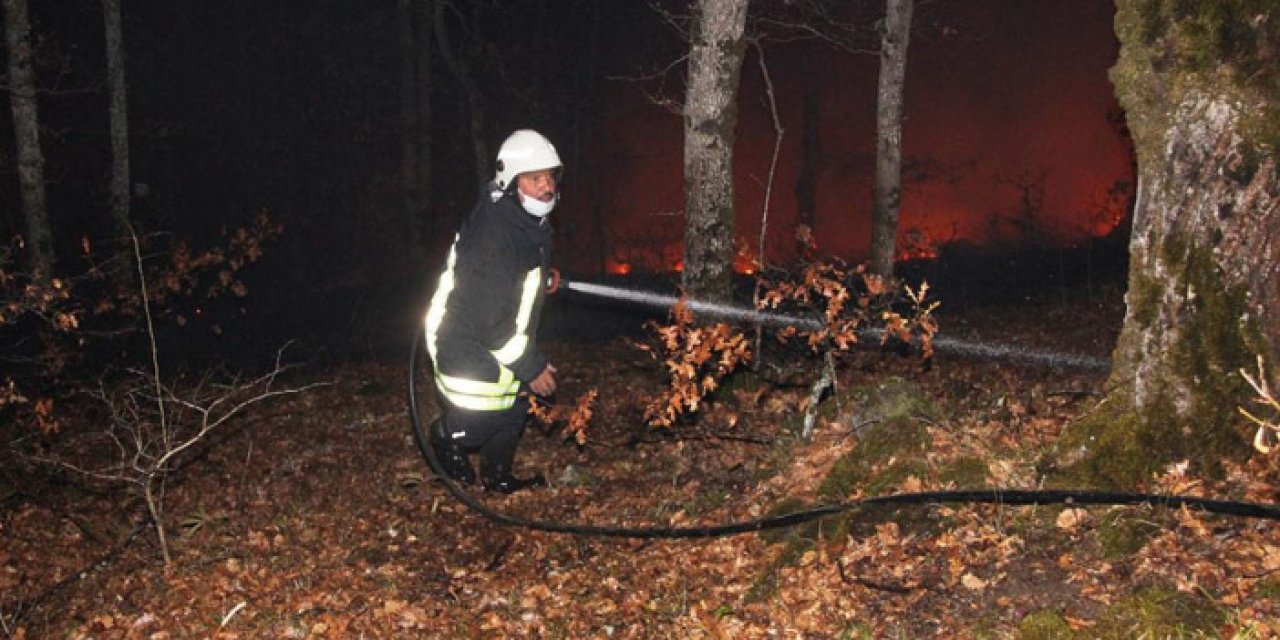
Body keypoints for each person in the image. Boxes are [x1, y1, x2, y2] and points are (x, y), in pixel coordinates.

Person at [423, 129, 562, 493]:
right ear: (511, 180)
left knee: (515, 407)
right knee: (485, 416)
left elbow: (512, 271)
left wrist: (541, 276)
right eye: (535, 179)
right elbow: (491, 322)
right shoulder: (495, 234)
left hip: (489, 338)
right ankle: (445, 435)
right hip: (464, 343)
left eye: (550, 177)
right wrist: (531, 366)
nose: (547, 187)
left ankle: (497, 478)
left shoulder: (520, 218)